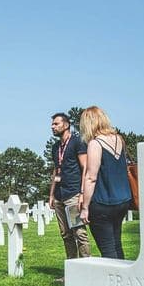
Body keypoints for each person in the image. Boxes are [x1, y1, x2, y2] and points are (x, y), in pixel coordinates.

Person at [79, 106, 132, 259]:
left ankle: (113, 281)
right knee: (117, 244)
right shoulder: (119, 139)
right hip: (122, 200)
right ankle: (122, 279)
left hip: (103, 203)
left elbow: (91, 177)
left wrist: (85, 207)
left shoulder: (95, 144)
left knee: (108, 249)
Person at [48, 112, 91, 264]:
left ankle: (86, 267)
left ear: (66, 125)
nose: (52, 127)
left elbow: (85, 167)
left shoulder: (77, 142)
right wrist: (52, 194)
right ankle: (72, 269)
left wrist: (82, 193)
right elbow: (56, 170)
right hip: (60, 195)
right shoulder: (55, 147)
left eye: (56, 124)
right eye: (52, 124)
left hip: (73, 194)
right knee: (65, 234)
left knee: (79, 232)